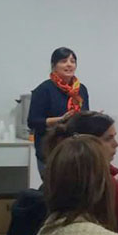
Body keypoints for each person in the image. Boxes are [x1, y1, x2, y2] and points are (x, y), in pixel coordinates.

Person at [28, 47, 90, 176]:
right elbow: (33, 122)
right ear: (53, 65)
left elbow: (84, 116)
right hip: (50, 151)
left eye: (72, 61)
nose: (69, 64)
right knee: (55, 191)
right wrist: (60, 120)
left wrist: (92, 119)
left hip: (75, 151)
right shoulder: (44, 89)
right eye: (63, 61)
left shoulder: (81, 89)